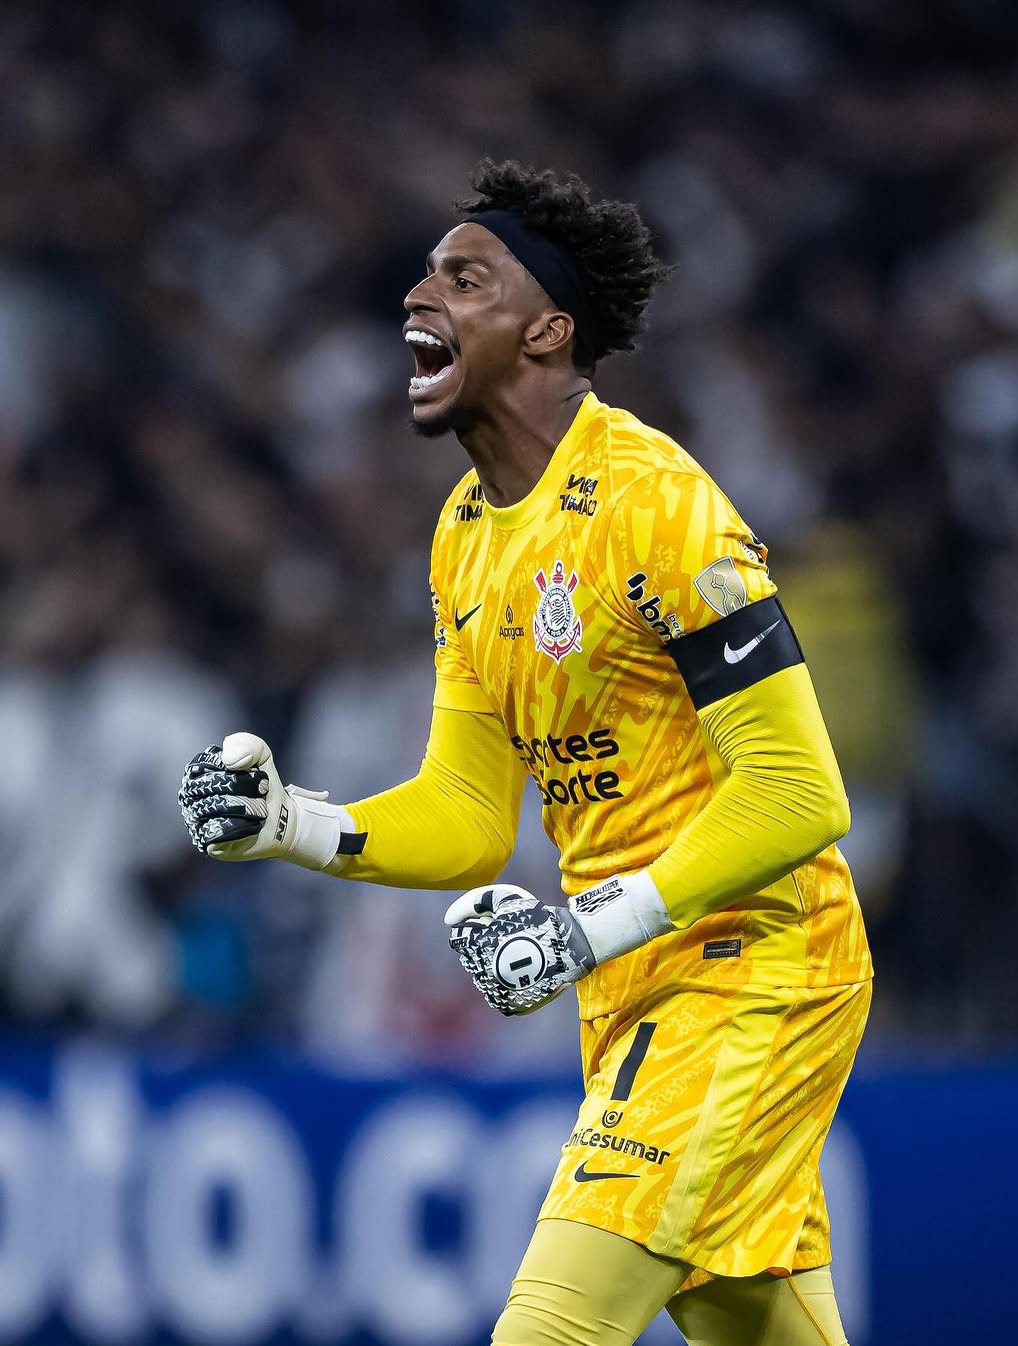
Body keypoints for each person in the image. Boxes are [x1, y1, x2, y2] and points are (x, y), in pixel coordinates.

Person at [179, 159, 872, 1346]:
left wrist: (583, 925)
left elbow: (801, 789)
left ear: (547, 333)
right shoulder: (463, 539)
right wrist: (290, 821)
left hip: (755, 967)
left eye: (465, 277)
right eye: (426, 272)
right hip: (636, 984)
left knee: (548, 1329)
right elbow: (465, 812)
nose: (418, 294)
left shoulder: (660, 501)